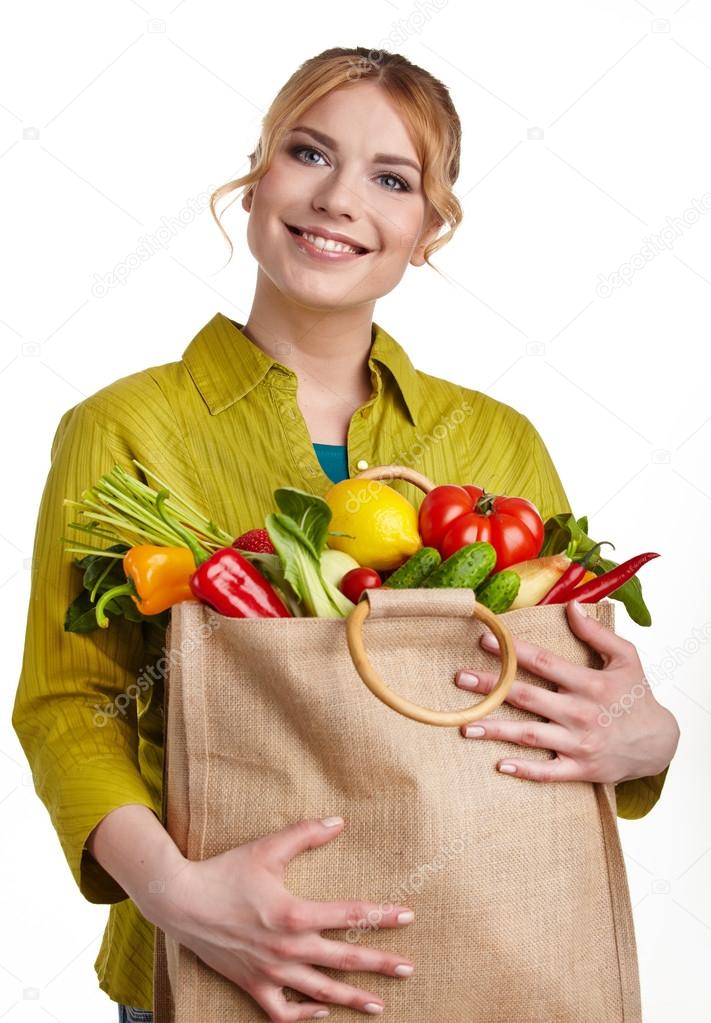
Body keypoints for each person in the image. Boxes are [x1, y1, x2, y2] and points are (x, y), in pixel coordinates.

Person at [12, 46, 679, 1022]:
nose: (338, 199)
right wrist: (176, 894)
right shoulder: (125, 428)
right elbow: (72, 705)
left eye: (392, 178)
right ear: (254, 181)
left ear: (428, 230)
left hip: (484, 948)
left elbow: (578, 691)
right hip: (219, 958)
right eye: (309, 153)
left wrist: (649, 737)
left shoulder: (496, 441)